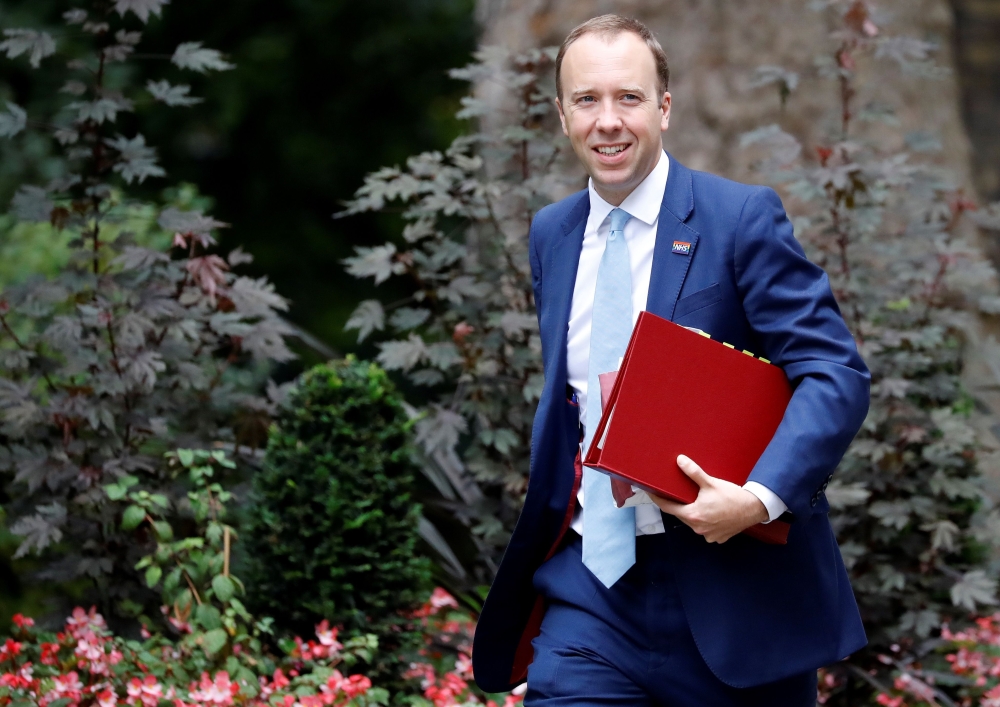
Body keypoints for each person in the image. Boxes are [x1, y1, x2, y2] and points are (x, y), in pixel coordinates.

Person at [471, 14, 871, 707]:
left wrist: (756, 499)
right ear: (562, 115)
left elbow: (834, 373)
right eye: (586, 100)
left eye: (628, 98)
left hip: (736, 595)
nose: (608, 122)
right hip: (593, 591)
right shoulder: (552, 235)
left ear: (664, 106)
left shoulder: (740, 219)